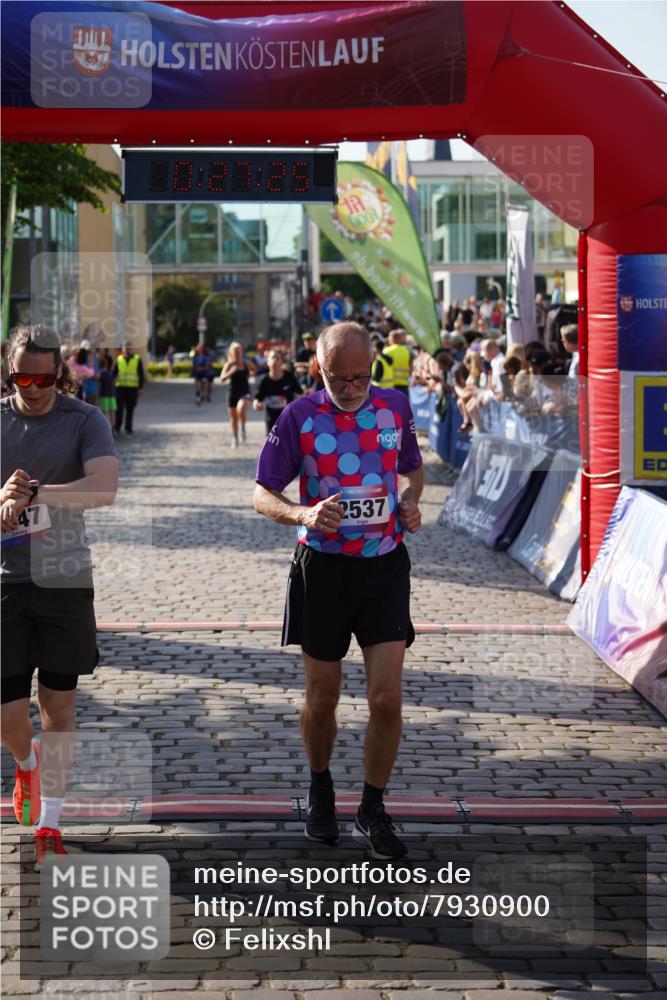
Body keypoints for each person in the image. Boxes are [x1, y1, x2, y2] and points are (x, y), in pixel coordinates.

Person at [253, 321, 423, 860]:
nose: (350, 389)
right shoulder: (299, 416)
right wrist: (303, 513)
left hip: (384, 566)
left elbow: (412, 471)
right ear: (317, 369)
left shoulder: (395, 406)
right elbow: (261, 493)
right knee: (323, 696)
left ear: (373, 367)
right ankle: (320, 786)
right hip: (322, 570)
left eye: (360, 377)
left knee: (386, 699)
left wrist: (410, 501)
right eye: (337, 379)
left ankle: (372, 807)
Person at [1, 325, 118, 867]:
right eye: (21, 377)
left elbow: (104, 487)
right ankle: (25, 764)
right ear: (9, 372)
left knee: (59, 708)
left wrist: (35, 494)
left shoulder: (84, 419)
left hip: (64, 578)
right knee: (8, 717)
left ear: (59, 374)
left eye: (43, 379)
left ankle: (50, 820)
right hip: (5, 578)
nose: (32, 388)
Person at [253, 349, 302, 433]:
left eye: (278, 358)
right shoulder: (264, 381)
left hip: (288, 419)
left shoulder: (289, 377)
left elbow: (300, 393)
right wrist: (257, 405)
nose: (275, 360)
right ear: (267, 362)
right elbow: (257, 399)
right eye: (273, 357)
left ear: (282, 362)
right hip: (272, 421)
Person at [219, 341, 256, 447]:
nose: (237, 354)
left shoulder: (246, 363)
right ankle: (235, 437)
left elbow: (254, 369)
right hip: (233, 392)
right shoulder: (229, 364)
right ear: (231, 353)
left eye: (239, 351)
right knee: (234, 418)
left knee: (241, 409)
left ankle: (243, 428)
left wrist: (250, 375)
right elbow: (222, 379)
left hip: (245, 391)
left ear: (242, 352)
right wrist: (231, 372)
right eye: (235, 352)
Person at [113, 343, 144, 435]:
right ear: (123, 349)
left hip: (132, 388)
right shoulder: (119, 359)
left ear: (132, 349)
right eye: (125, 348)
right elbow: (114, 372)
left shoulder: (137, 359)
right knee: (119, 408)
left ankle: (128, 428)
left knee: (130, 408)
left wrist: (140, 387)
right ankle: (117, 427)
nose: (127, 349)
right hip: (120, 388)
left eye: (128, 348)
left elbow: (141, 374)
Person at [382, 329, 412, 397]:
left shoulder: (386, 351)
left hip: (391, 384)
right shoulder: (406, 351)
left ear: (391, 339)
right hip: (404, 384)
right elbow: (411, 367)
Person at [98, 355, 117, 429]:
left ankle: (106, 427)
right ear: (106, 365)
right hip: (112, 394)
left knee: (105, 412)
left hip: (104, 395)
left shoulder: (100, 374)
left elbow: (99, 384)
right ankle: (113, 427)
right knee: (112, 412)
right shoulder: (110, 373)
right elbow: (114, 382)